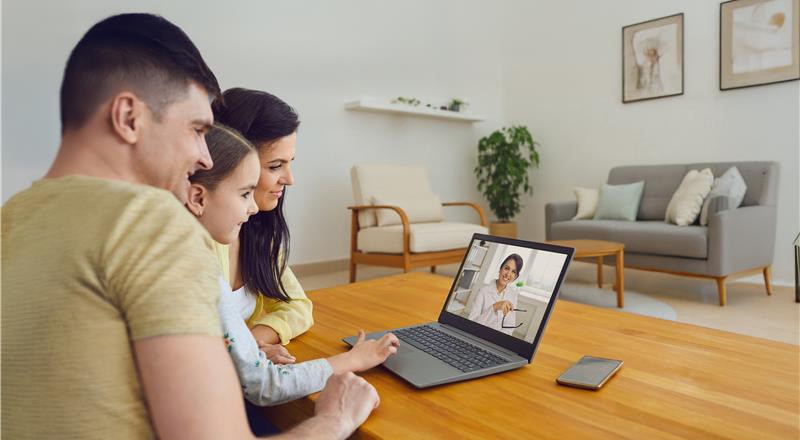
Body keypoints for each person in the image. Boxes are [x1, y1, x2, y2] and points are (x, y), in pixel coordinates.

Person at [1, 13, 381, 440]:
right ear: (128, 116)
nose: (205, 157)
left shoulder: (12, 217)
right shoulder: (152, 225)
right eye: (197, 130)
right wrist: (336, 418)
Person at [186, 123, 399, 408]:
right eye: (244, 193)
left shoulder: (206, 245)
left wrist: (248, 348)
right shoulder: (198, 267)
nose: (251, 209)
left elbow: (297, 307)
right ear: (198, 197)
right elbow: (264, 385)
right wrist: (352, 360)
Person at [209, 88, 311, 361]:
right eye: (275, 166)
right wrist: (243, 350)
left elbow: (299, 307)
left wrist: (249, 342)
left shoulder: (257, 232)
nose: (289, 179)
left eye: (289, 164)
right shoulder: (196, 237)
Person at [468, 254, 524, 335]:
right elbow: (471, 324)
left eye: (513, 271)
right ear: (500, 269)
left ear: (515, 277)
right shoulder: (483, 291)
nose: (508, 274)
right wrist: (494, 307)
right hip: (478, 335)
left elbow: (510, 325)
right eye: (506, 268)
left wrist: (498, 338)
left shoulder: (513, 295)